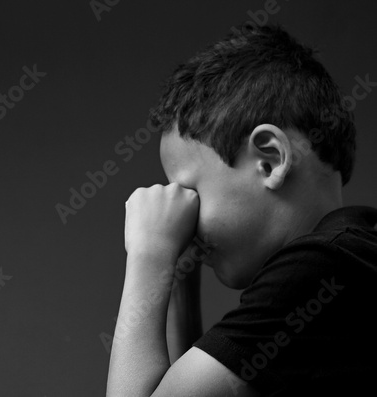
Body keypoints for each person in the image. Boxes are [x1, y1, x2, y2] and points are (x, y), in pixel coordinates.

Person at [106, 23, 377, 396]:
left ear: (269, 161)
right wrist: (178, 273)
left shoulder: (320, 266)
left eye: (189, 190)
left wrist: (149, 255)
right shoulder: (354, 255)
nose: (183, 213)